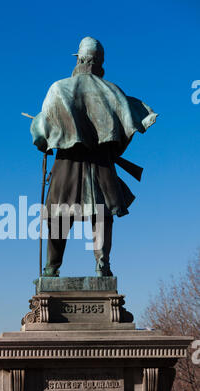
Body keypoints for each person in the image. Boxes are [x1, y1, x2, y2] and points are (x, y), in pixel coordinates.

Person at [30, 37, 157, 277]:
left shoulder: (58, 88)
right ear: (100, 63)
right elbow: (125, 133)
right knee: (102, 215)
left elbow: (41, 135)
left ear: (79, 59)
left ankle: (52, 267)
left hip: (67, 164)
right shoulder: (114, 91)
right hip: (102, 164)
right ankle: (102, 263)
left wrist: (44, 140)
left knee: (58, 215)